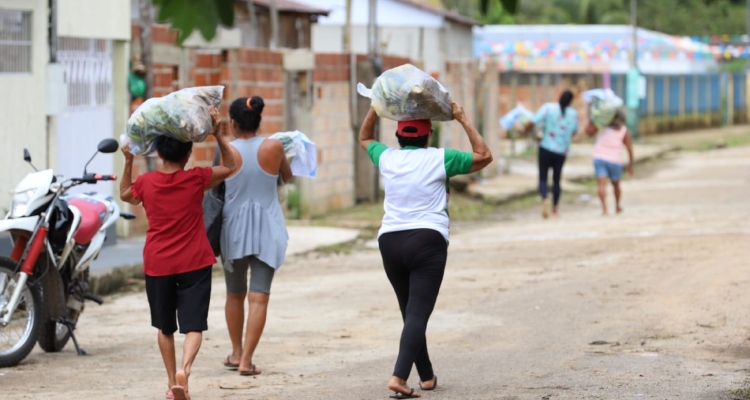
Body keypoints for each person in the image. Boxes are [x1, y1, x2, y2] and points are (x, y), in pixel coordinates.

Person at [358, 102, 492, 399]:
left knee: (411, 313)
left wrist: (374, 109)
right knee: (417, 313)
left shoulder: (387, 157)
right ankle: (399, 377)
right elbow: (484, 156)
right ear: (428, 135)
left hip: (389, 241)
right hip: (427, 240)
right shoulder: (440, 158)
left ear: (398, 136)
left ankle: (427, 375)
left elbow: (365, 138)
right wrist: (462, 118)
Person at [120, 106, 236, 400]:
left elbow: (124, 194)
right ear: (187, 155)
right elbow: (233, 166)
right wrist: (218, 135)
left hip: (158, 263)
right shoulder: (196, 178)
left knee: (165, 327)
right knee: (193, 325)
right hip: (194, 261)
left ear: (158, 153)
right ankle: (186, 372)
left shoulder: (145, 184)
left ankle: (172, 381)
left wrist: (129, 159)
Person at [221, 96, 292, 376]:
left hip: (233, 230)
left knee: (234, 293)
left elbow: (217, 182)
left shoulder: (225, 149)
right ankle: (247, 360)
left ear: (233, 123)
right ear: (259, 120)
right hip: (267, 227)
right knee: (259, 297)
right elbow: (286, 176)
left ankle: (236, 352)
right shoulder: (274, 146)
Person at [525, 90, 579, 219]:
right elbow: (574, 132)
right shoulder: (573, 114)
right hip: (561, 151)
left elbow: (533, 121)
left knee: (543, 178)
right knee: (557, 180)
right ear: (571, 101)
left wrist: (526, 129)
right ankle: (555, 210)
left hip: (545, 148)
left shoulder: (548, 108)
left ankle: (545, 198)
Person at [585, 109, 634, 215]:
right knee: (616, 185)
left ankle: (604, 209)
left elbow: (588, 131)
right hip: (615, 161)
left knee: (601, 185)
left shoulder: (602, 127)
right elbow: (629, 148)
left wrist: (593, 118)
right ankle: (617, 207)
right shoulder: (623, 131)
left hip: (599, 158)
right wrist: (631, 165)